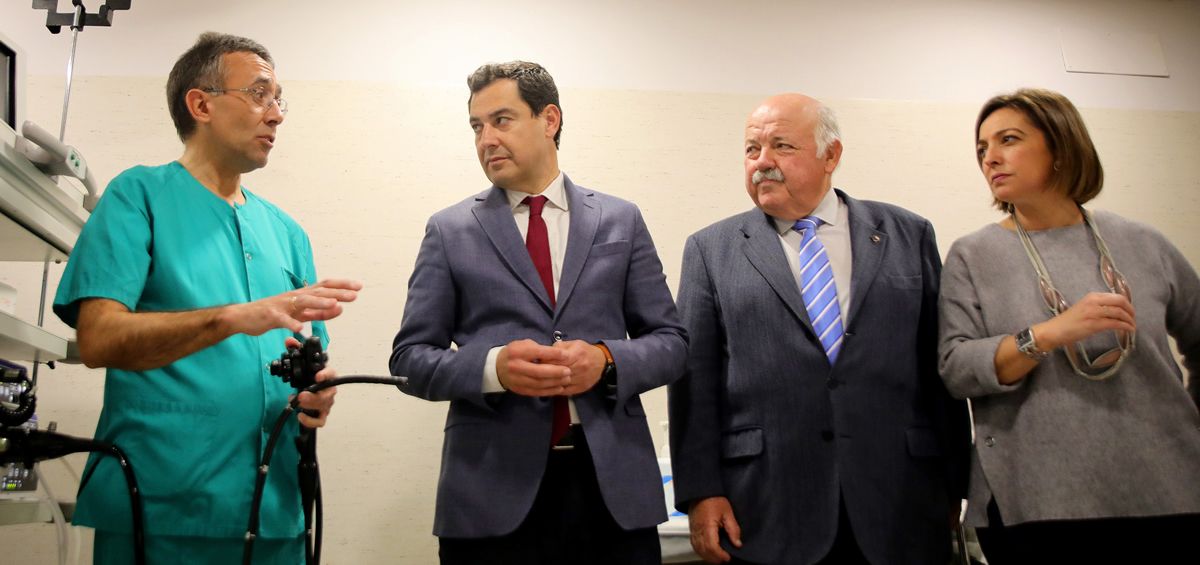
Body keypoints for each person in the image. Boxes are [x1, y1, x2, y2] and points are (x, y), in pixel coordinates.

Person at [52, 32, 362, 564]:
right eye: (259, 94)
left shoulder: (287, 233)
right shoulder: (138, 196)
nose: (276, 115)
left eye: (279, 100)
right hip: (160, 507)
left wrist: (317, 396)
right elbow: (99, 339)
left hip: (276, 511)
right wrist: (235, 317)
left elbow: (308, 360)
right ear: (201, 105)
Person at [389, 60, 687, 565]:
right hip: (489, 496)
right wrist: (493, 369)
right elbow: (409, 361)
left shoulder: (621, 219)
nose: (486, 139)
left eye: (501, 120)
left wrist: (606, 360)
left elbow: (672, 343)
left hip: (613, 494)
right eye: (476, 126)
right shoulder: (449, 230)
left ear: (549, 120)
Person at [669, 93, 969, 565]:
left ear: (831, 155)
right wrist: (701, 491)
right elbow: (694, 384)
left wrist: (956, 480)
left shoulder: (908, 234)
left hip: (903, 499)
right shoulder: (711, 250)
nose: (762, 162)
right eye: (752, 149)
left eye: (781, 146)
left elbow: (938, 368)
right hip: (766, 508)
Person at [938, 87, 1200, 564]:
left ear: (1060, 147)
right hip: (1037, 502)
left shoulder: (1144, 243)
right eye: (982, 148)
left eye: (1008, 140)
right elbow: (957, 368)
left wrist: (1186, 429)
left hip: (1169, 490)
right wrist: (1048, 334)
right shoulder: (972, 255)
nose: (990, 158)